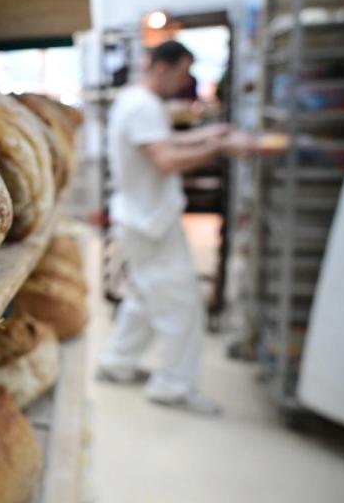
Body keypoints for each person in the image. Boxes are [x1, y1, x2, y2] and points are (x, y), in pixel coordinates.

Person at [96, 40, 253, 416]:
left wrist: (210, 135)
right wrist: (221, 149)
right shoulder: (143, 106)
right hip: (151, 224)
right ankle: (174, 387)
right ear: (162, 68)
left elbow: (160, 143)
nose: (185, 82)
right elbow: (165, 160)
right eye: (183, 73)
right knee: (183, 304)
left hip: (140, 219)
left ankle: (117, 361)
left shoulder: (135, 101)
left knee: (146, 296)